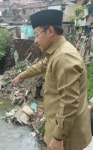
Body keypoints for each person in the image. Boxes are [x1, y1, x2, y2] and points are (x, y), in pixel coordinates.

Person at [11, 9, 92, 150]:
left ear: (50, 31)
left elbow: (69, 102)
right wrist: (21, 75)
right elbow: (41, 65)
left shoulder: (64, 57)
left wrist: (58, 137)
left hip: (67, 138)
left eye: (37, 34)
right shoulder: (56, 52)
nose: (35, 40)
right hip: (60, 130)